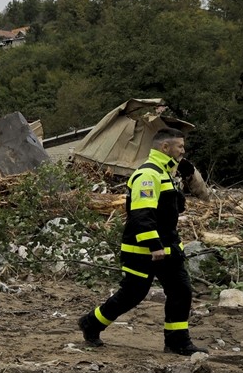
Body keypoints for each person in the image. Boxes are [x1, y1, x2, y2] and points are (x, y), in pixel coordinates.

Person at [78, 128, 206, 356]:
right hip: (143, 251)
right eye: (180, 146)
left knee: (181, 291)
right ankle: (91, 323)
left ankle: (177, 342)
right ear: (165, 148)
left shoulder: (166, 173)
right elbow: (142, 215)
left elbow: (171, 211)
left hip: (168, 249)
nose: (183, 151)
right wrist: (154, 246)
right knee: (132, 294)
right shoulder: (147, 175)